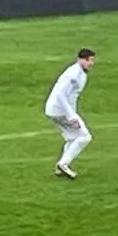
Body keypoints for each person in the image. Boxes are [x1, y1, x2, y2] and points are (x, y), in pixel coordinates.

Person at [44, 48, 96, 179]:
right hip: (60, 111)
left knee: (72, 138)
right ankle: (63, 164)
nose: (92, 63)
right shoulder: (74, 74)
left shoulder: (80, 73)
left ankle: (61, 167)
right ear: (81, 60)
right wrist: (71, 115)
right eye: (90, 60)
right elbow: (60, 95)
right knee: (85, 136)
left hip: (56, 110)